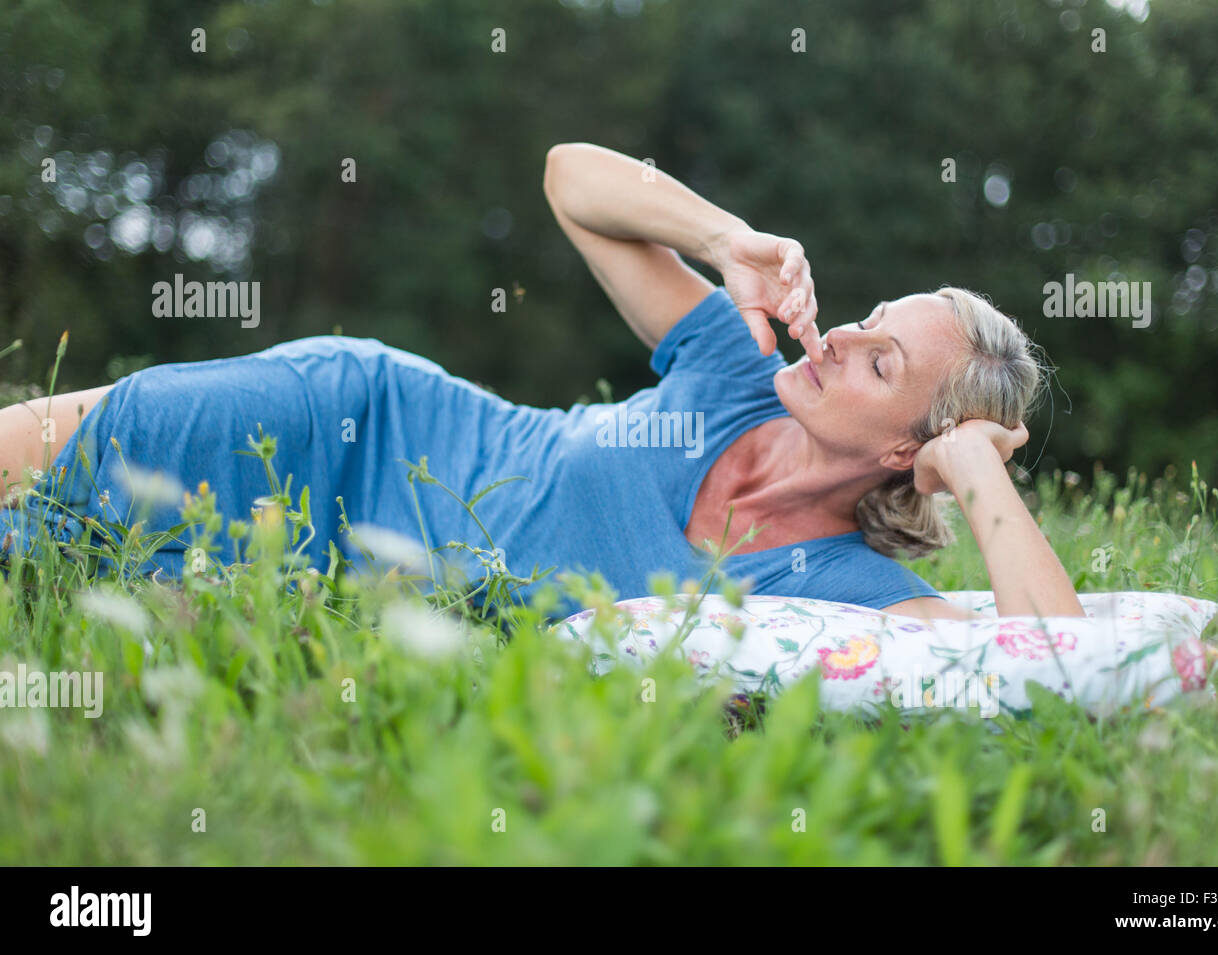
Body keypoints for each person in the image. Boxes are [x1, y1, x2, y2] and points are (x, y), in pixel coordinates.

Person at [0, 143, 1083, 620]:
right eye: (865, 319)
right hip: (362, 419)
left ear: (907, 446)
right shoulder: (738, 365)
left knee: (73, 581)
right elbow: (572, 178)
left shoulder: (839, 585)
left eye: (880, 359)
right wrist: (724, 238)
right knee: (122, 428)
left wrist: (976, 474)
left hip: (349, 581)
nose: (840, 335)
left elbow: (1052, 664)